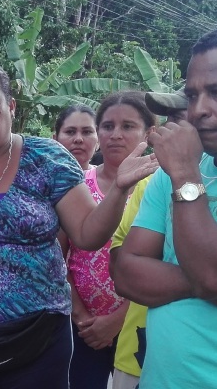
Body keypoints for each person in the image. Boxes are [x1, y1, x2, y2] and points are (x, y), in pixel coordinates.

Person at [0, 60, 157, 388]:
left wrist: (120, 189)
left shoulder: (47, 159)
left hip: (41, 340)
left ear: (10, 105)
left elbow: (88, 234)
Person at [112, 29, 217, 387]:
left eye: (215, 92)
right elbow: (126, 272)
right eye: (192, 95)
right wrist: (203, 283)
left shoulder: (181, 169)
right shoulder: (169, 173)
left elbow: (213, 276)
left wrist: (186, 174)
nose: (199, 109)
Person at [61, 92, 156, 389]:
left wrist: (117, 320)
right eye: (107, 126)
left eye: (128, 126)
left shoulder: (159, 186)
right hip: (83, 325)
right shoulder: (77, 184)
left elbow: (157, 263)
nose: (115, 135)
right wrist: (80, 314)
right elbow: (58, 253)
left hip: (138, 325)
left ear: (148, 133)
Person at [108, 90, 187, 389]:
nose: (172, 129)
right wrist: (206, 279)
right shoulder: (155, 182)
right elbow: (123, 272)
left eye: (182, 118)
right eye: (170, 119)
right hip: (140, 353)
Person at [53, 104, 98, 170]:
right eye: (70, 132)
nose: (78, 139)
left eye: (87, 132)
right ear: (55, 140)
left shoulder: (113, 179)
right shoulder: (39, 178)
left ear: (98, 141)